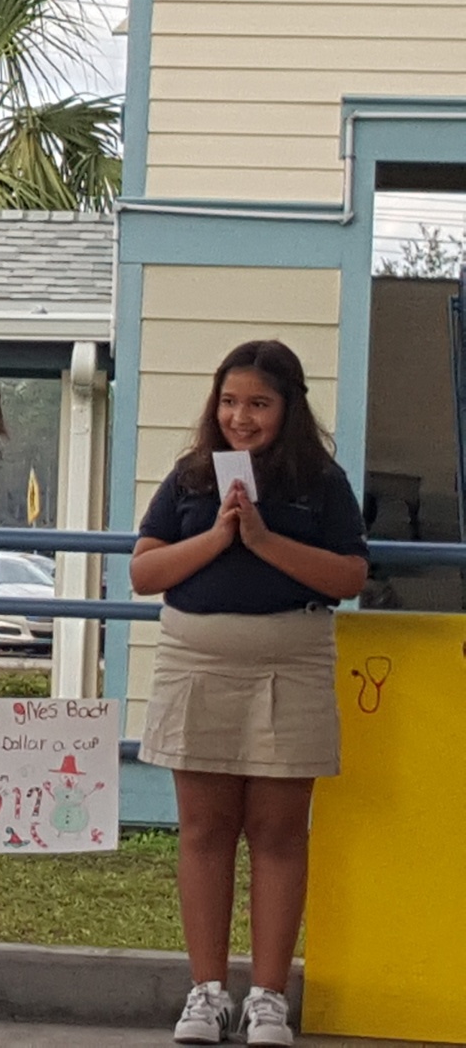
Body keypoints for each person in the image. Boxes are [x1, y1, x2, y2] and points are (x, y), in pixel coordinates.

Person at [130, 340, 367, 1048]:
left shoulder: (320, 481)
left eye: (258, 403)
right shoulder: (191, 477)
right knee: (203, 831)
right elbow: (145, 572)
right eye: (230, 401)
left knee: (278, 833)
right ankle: (207, 992)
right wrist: (219, 533)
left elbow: (349, 574)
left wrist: (262, 539)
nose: (241, 416)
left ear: (287, 408)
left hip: (289, 668)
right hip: (195, 664)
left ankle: (268, 997)